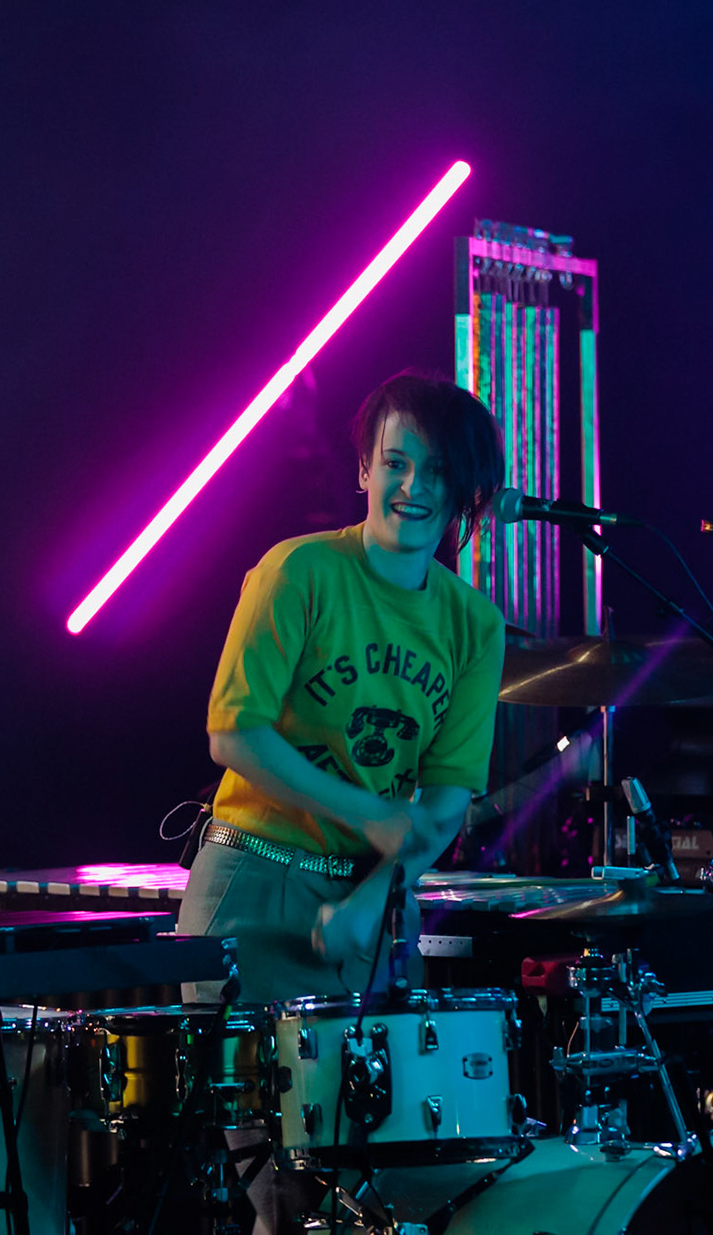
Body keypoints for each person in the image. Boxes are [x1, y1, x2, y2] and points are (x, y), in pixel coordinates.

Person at [177, 370, 506, 1007]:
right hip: (259, 882)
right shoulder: (298, 571)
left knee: (379, 1107)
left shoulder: (475, 625)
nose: (413, 487)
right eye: (395, 463)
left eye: (436, 471)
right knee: (251, 1108)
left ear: (464, 489)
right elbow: (233, 734)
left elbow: (442, 805)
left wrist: (373, 898)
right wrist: (369, 813)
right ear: (364, 471)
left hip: (377, 903)